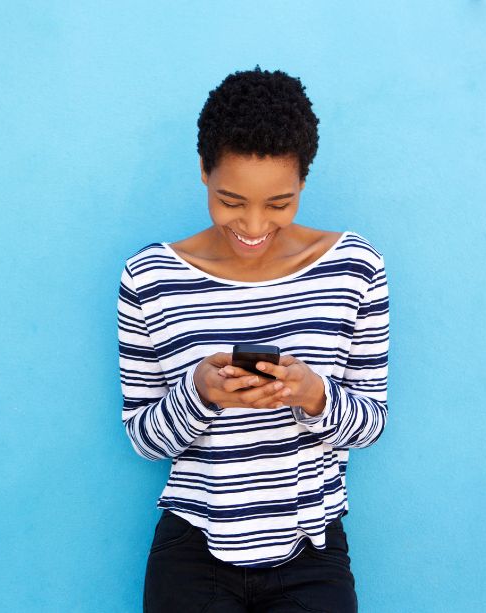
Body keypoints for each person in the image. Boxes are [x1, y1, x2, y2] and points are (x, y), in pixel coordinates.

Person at [117, 65, 389, 613]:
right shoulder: (149, 279)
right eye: (231, 201)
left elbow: (372, 424)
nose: (254, 226)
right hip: (192, 553)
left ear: (304, 181)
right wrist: (200, 394)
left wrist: (314, 395)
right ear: (203, 171)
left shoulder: (355, 269)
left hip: (312, 554)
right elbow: (143, 440)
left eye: (280, 203)